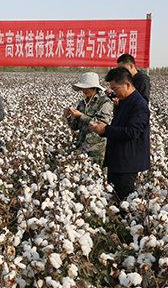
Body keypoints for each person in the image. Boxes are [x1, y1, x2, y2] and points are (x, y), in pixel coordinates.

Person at [89, 67, 150, 203]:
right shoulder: (125, 102)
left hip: (127, 164)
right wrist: (102, 129)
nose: (113, 92)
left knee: (125, 204)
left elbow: (132, 132)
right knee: (116, 201)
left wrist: (106, 130)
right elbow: (119, 128)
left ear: (127, 85)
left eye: (115, 89)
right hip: (118, 161)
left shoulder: (139, 105)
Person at [64, 72, 113, 165]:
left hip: (96, 152)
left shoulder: (104, 102)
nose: (84, 90)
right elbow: (75, 127)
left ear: (95, 88)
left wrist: (80, 115)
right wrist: (69, 116)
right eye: (83, 87)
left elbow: (102, 124)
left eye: (87, 87)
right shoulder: (82, 103)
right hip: (81, 148)